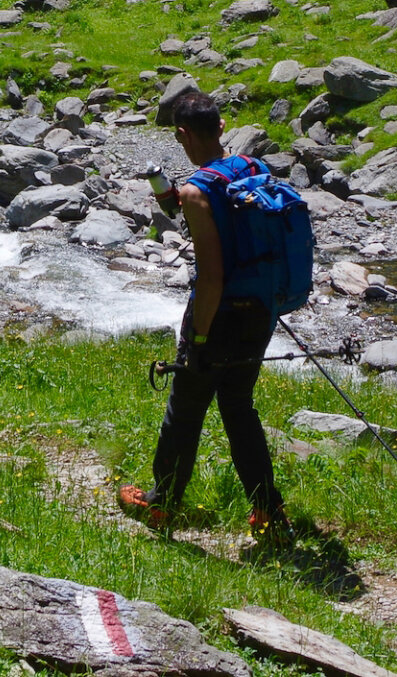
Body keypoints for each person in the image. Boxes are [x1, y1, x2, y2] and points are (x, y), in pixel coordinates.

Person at [119, 89, 291, 546]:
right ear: (220, 128)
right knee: (238, 407)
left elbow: (211, 278)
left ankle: (161, 501)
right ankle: (268, 511)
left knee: (186, 405)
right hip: (262, 308)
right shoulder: (252, 169)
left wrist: (196, 340)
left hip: (220, 312)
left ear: (181, 134)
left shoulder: (197, 191)